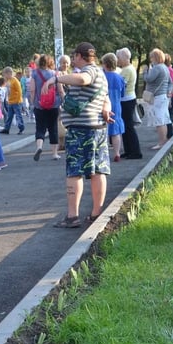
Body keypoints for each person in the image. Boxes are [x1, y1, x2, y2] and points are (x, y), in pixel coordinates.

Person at [41, 42, 112, 228]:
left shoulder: (89, 71)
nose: (72, 61)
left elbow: (83, 80)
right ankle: (96, 213)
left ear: (80, 56)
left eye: (73, 57)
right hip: (97, 128)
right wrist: (105, 109)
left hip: (82, 130)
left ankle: (72, 216)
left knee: (75, 172)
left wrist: (56, 79)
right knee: (98, 170)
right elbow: (106, 99)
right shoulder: (101, 73)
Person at [29, 54, 62, 162]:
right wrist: (63, 100)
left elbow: (32, 90)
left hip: (40, 105)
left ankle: (39, 147)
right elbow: (60, 90)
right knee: (53, 128)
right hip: (54, 104)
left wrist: (33, 102)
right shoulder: (55, 74)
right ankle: (54, 154)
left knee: (40, 128)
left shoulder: (34, 73)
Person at [143, 48, 172, 150]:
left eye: (151, 57)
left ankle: (161, 142)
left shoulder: (157, 68)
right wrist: (168, 91)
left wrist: (145, 71)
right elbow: (170, 82)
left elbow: (148, 79)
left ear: (155, 57)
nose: (150, 59)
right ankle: (164, 140)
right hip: (163, 96)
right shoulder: (165, 68)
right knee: (163, 120)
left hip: (156, 97)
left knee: (159, 121)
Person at [116, 47, 142, 159]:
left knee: (128, 126)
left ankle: (135, 151)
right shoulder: (127, 68)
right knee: (126, 126)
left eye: (119, 58)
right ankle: (128, 150)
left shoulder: (127, 70)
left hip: (127, 99)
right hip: (127, 98)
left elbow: (122, 85)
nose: (118, 60)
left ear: (124, 58)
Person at [101, 53, 125, 162]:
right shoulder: (119, 77)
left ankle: (103, 153)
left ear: (105, 64)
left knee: (103, 130)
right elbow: (123, 93)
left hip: (103, 105)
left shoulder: (102, 76)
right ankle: (117, 153)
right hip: (116, 104)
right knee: (116, 131)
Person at [0, 67, 24, 134]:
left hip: (17, 102)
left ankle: (21, 128)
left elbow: (19, 92)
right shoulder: (9, 81)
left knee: (18, 115)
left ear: (9, 73)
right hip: (11, 101)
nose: (4, 77)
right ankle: (6, 129)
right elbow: (9, 91)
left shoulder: (15, 81)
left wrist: (18, 100)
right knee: (9, 116)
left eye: (4, 75)